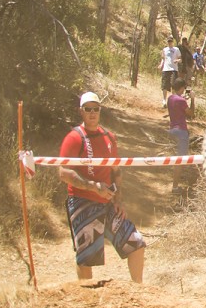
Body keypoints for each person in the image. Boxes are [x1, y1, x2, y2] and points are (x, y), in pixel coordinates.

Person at [58, 92, 145, 282]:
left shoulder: (109, 137)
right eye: (87, 109)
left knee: (136, 243)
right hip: (83, 202)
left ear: (100, 111)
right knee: (87, 256)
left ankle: (139, 291)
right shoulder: (74, 137)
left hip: (107, 203)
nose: (92, 113)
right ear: (81, 111)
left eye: (95, 109)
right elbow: (64, 172)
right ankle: (86, 300)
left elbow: (116, 170)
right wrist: (92, 186)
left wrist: (118, 199)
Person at [167, 78, 195, 195]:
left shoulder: (170, 98)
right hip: (182, 132)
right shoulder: (182, 101)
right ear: (182, 88)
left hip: (172, 129)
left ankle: (174, 182)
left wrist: (184, 99)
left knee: (175, 158)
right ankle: (175, 187)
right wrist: (193, 99)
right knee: (180, 160)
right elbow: (192, 114)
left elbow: (178, 104)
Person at [160, 36, 181, 107]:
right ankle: (164, 101)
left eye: (170, 41)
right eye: (168, 41)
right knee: (164, 85)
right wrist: (161, 65)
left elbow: (180, 59)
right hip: (166, 69)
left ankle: (172, 101)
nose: (169, 43)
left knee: (173, 85)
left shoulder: (176, 49)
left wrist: (177, 60)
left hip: (174, 69)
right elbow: (163, 58)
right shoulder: (164, 49)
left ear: (173, 42)